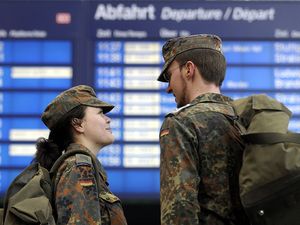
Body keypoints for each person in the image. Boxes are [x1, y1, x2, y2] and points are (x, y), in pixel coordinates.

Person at [157, 34, 249, 225]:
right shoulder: (245, 118)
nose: (168, 88)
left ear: (189, 69)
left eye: (169, 76)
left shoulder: (181, 123)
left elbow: (178, 211)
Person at [34, 85, 127, 225]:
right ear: (78, 125)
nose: (108, 119)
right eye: (100, 113)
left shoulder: (80, 166)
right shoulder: (79, 168)